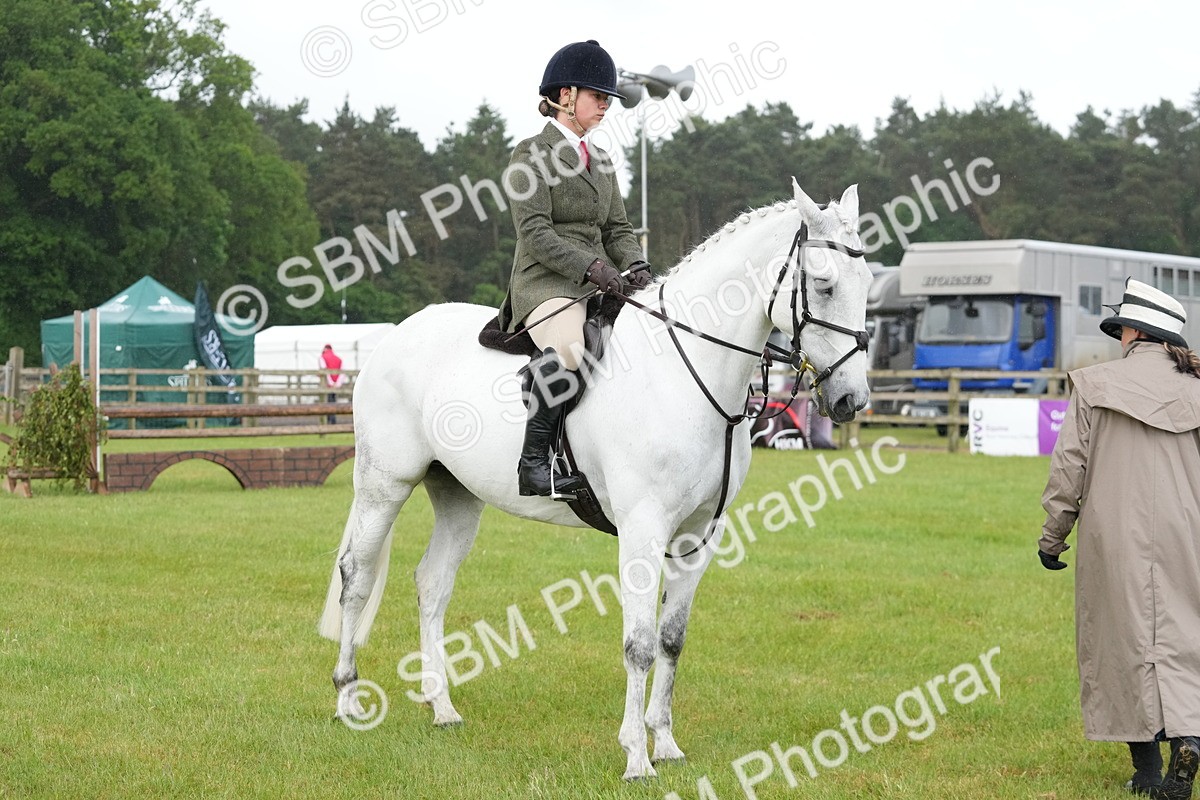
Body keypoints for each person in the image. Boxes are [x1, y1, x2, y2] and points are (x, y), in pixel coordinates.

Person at [1039, 278, 1200, 799]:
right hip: (1189, 532)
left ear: (1132, 331)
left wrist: (1053, 536)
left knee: (1119, 641)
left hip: (1114, 537)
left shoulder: (1094, 384)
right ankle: (1189, 736)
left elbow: (1069, 470)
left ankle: (1149, 772)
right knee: (1183, 639)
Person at [496, 40, 653, 498]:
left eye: (608, 99)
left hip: (598, 279)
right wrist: (592, 266)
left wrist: (637, 264)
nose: (605, 105)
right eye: (597, 96)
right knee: (568, 349)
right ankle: (533, 465)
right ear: (566, 96)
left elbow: (618, 228)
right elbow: (536, 235)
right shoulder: (529, 155)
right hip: (546, 282)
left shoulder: (601, 160)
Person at [319, 344, 346, 424]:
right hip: (336, 385)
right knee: (333, 401)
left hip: (327, 385)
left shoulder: (322, 357)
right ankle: (333, 420)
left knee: (327, 402)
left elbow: (324, 371)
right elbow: (342, 372)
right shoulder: (339, 359)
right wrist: (337, 384)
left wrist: (331, 383)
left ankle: (329, 420)